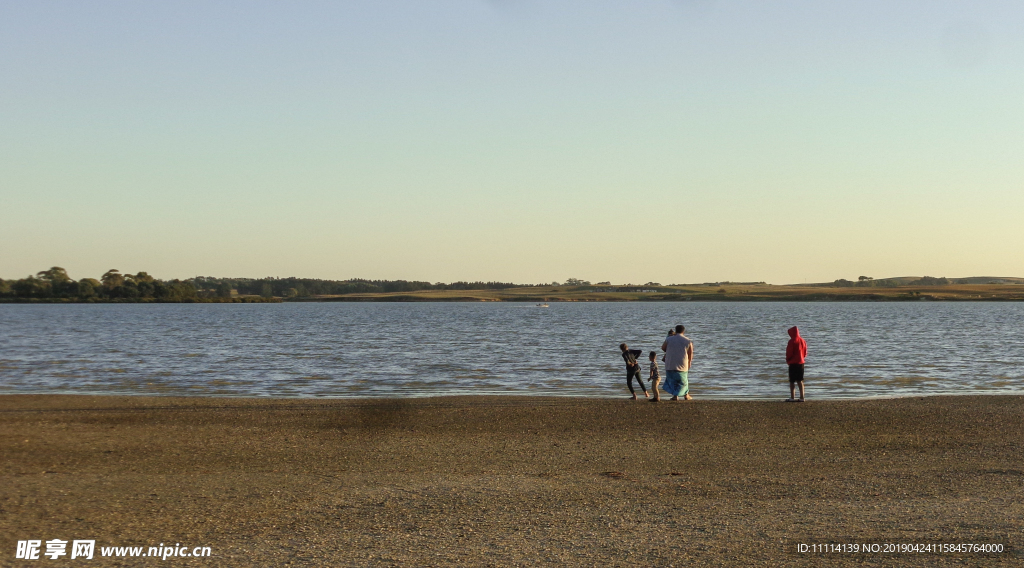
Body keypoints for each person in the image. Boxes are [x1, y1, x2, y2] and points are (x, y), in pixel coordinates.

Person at [661, 325, 693, 401]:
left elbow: (663, 348)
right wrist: (689, 362)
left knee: (673, 380)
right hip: (682, 363)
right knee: (683, 380)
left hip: (670, 362)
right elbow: (690, 353)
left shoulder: (669, 339)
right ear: (683, 331)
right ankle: (686, 395)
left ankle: (675, 396)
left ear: (676, 330)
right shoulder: (687, 340)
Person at [786, 326, 807, 402]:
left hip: (793, 363)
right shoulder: (803, 340)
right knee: (800, 380)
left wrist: (788, 360)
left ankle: (792, 397)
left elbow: (789, 353)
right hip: (801, 362)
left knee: (792, 381)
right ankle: (802, 397)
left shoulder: (791, 341)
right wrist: (802, 357)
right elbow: (805, 352)